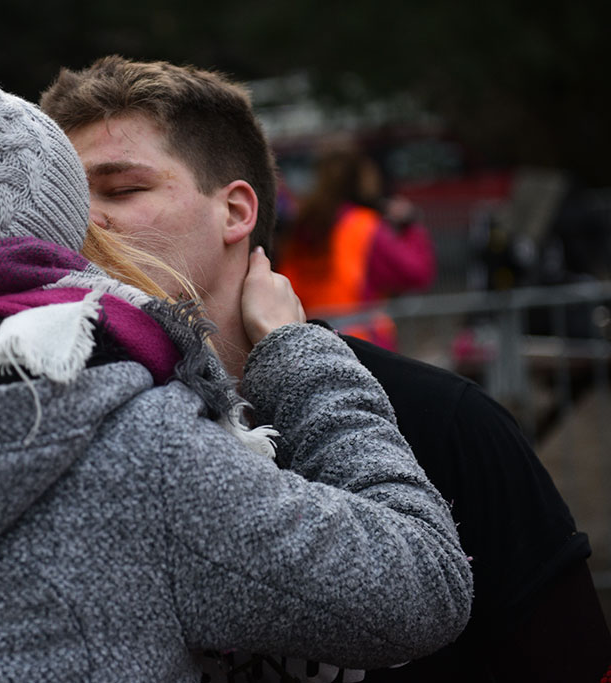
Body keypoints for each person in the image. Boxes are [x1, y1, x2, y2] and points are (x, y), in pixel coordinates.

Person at [0, 17, 471, 681]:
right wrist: (300, 356)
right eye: (83, 204)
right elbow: (420, 584)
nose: (105, 231)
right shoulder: (125, 435)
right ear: (49, 237)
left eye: (122, 190)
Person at [41, 56, 611, 682]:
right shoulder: (55, 434)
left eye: (121, 189)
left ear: (235, 212)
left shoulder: (448, 424)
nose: (82, 222)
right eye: (63, 196)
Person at [276, 143, 435, 349]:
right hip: (362, 348)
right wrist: (410, 227)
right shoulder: (364, 226)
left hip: (305, 343)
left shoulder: (298, 224)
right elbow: (415, 272)